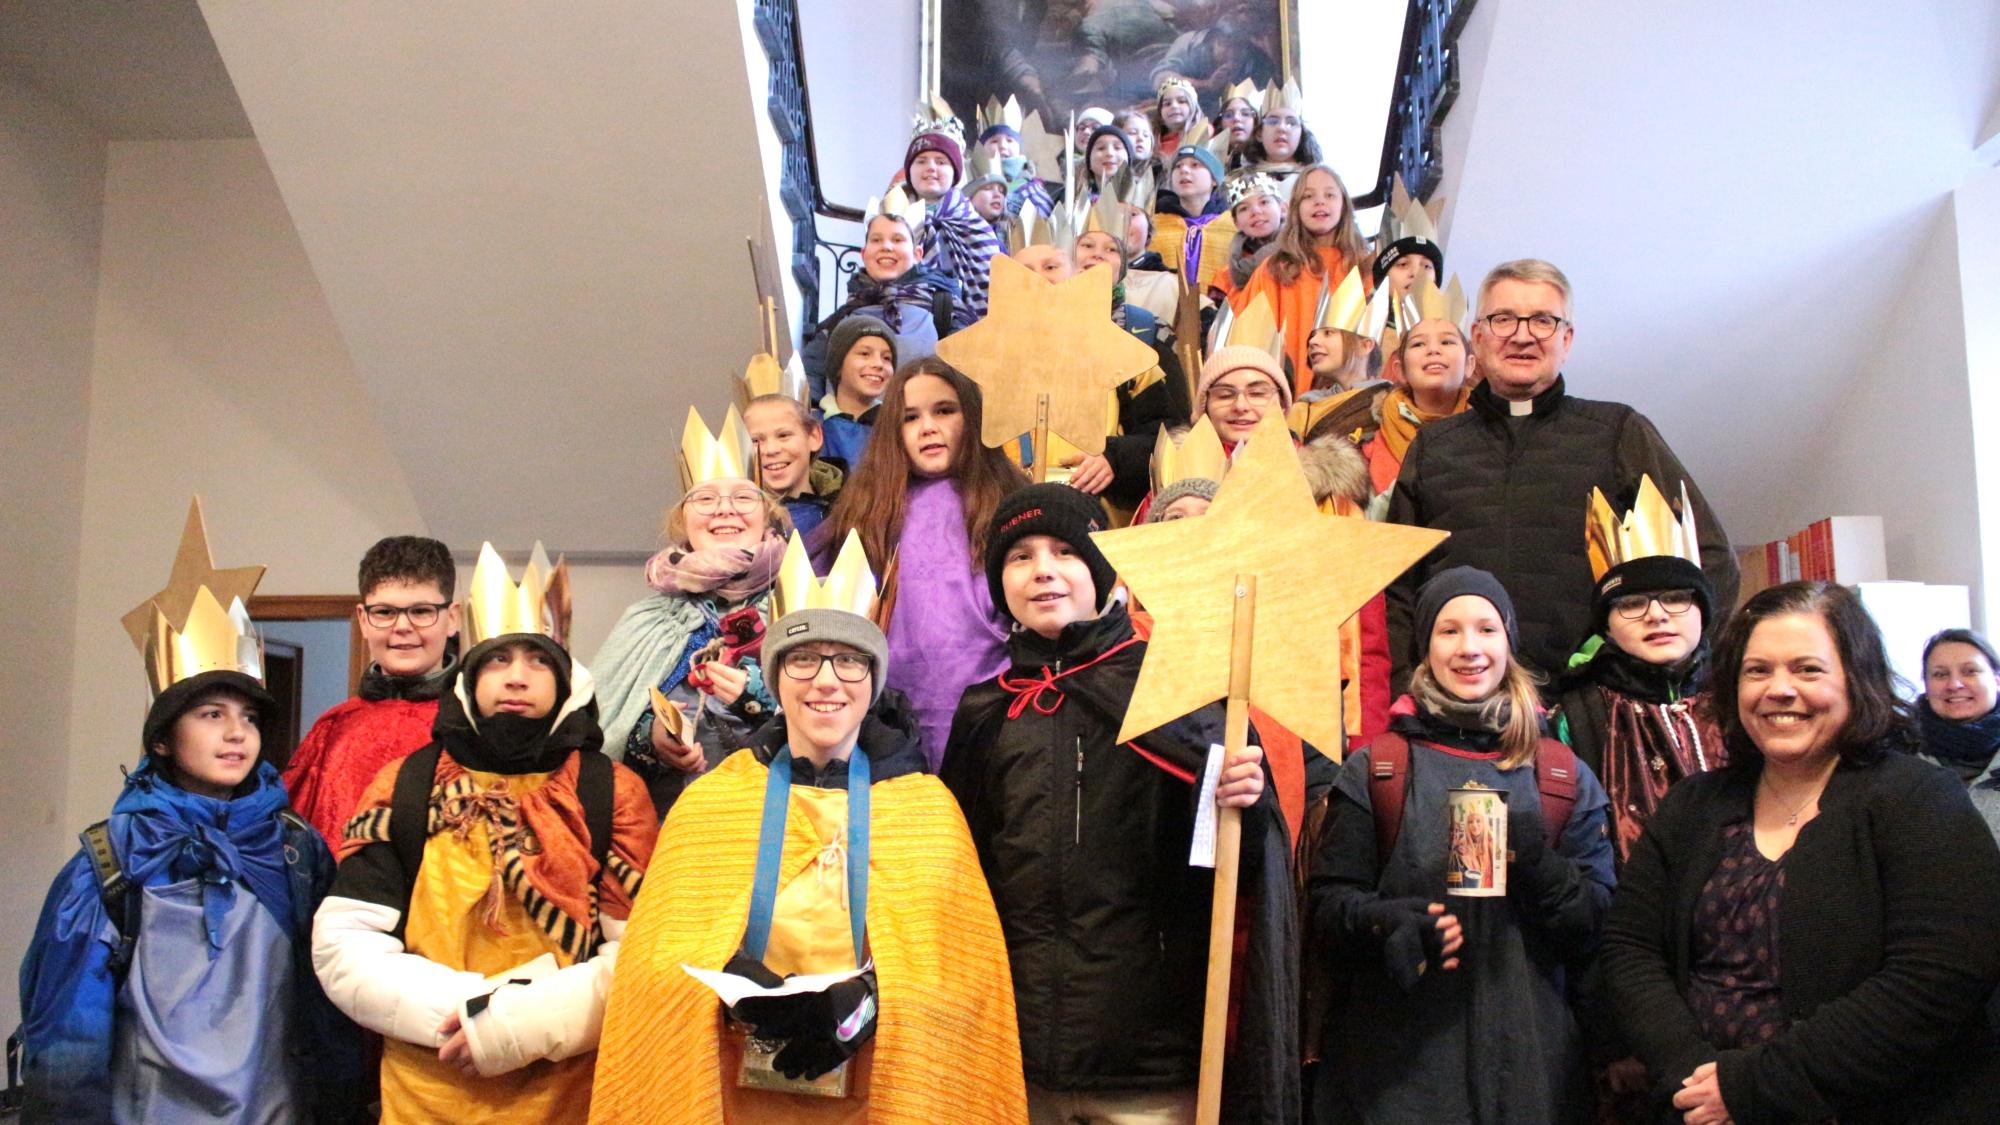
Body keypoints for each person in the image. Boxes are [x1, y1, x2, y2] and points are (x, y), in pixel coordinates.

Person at [589, 532, 1027, 1122]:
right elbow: (652, 971)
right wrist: (726, 979)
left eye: (849, 660)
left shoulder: (924, 810)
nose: (826, 680)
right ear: (773, 676)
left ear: (873, 682)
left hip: (881, 1090)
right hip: (731, 1090)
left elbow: (963, 981)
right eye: (803, 658)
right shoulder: (713, 801)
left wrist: (872, 1002)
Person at [942, 484, 1296, 1123]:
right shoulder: (985, 711)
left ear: (1101, 572)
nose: (1043, 569)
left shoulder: (1170, 691)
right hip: (1016, 1051)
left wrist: (1232, 802)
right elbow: (962, 880)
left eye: (1065, 552)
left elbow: (1228, 876)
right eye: (1019, 556)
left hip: (1147, 1051)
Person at [1602, 581, 2000, 1124]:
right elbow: (1630, 948)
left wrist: (1750, 1088)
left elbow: (1938, 977)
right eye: (1757, 670)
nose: (1779, 690)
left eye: (1808, 670)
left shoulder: (1919, 798)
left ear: (1856, 681)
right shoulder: (1694, 804)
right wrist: (1695, 1076)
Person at [20, 533, 362, 1122]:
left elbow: (327, 1015)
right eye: (211, 715)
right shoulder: (111, 861)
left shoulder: (295, 850)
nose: (237, 734)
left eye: (248, 718)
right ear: (162, 739)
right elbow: (68, 1043)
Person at [314, 545, 658, 1122]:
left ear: (567, 678)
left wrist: (518, 1027)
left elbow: (639, 952)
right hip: (426, 1086)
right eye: (498, 662)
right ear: (470, 677)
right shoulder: (407, 782)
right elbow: (346, 940)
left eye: (537, 663)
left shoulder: (612, 791)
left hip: (569, 1091)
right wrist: (469, 1018)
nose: (517, 679)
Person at [1307, 566, 1615, 1123]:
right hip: (1395, 1081)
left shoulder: (1562, 775)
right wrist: (1385, 923)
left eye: (1486, 629)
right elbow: (1327, 912)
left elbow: (1599, 929)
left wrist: (1540, 867)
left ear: (1509, 642)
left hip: (1532, 1077)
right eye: (1449, 631)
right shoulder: (1379, 769)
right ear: (1425, 647)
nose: (1469, 648)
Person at [1386, 259, 1740, 693]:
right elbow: (1398, 586)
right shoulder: (1434, 447)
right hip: (1463, 705)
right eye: (1503, 320)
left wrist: (1667, 672)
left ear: (1566, 340)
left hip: (1595, 706)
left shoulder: (1617, 432)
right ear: (1477, 337)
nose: (1522, 335)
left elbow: (1710, 558)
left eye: (1542, 320)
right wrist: (1410, 687)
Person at [812, 359, 1027, 768]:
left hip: (995, 713)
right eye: (910, 418)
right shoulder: (866, 513)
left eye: (944, 411)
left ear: (973, 418)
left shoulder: (1011, 506)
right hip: (891, 720)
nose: (928, 426)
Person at [591, 407, 789, 816]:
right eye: (705, 498)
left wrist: (754, 694)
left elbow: (843, 705)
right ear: (683, 519)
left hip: (781, 813)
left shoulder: (798, 600)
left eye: (742, 497)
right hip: (673, 818)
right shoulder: (648, 617)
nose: (724, 510)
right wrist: (654, 738)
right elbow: (603, 722)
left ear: (767, 513)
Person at [1553, 487, 1726, 866]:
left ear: (1702, 611)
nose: (1657, 615)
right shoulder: (1576, 717)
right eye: (1631, 603)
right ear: (1607, 626)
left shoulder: (1740, 701)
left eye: (1676, 597)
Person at [283, 534, 462, 846]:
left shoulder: (477, 727)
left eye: (421, 611)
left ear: (452, 618)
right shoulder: (332, 728)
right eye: (384, 612)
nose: (402, 626)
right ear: (363, 620)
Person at [1238, 164, 1371, 393]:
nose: (1320, 202)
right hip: (1289, 394)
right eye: (1308, 196)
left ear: (1344, 205)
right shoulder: (1275, 269)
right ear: (1295, 209)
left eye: (1329, 195)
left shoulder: (1365, 267)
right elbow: (1249, 338)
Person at [803, 205, 958, 392]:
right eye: (876, 240)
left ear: (918, 254)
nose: (886, 246)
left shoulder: (944, 307)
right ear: (864, 254)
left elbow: (968, 367)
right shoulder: (841, 318)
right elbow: (811, 375)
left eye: (897, 239)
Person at [1355, 277, 1474, 503]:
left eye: (1447, 342)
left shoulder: (1493, 432)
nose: (1433, 350)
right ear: (1400, 370)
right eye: (1418, 344)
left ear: (1470, 364)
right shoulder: (1369, 445)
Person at [904, 115, 1003, 321]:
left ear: (955, 173)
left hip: (964, 326)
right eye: (921, 161)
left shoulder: (976, 226)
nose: (931, 167)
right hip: (907, 321)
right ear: (910, 171)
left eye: (941, 162)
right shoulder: (893, 217)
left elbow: (991, 289)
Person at [1916, 627, 2000, 836]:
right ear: (1926, 687)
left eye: (1970, 671)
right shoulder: (1897, 759)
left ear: (1997, 679)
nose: (1954, 684)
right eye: (1940, 674)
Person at [745, 393, 843, 538]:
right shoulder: (739, 519)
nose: (771, 450)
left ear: (814, 437)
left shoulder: (851, 509)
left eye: (784, 435)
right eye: (756, 440)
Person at [812, 314, 895, 473]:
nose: (878, 364)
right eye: (864, 354)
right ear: (838, 366)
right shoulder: (812, 426)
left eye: (887, 358)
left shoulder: (897, 428)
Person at [1210, 171, 1286, 311]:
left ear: (1283, 208)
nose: (1256, 211)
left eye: (1264, 202)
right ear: (1236, 222)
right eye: (1244, 208)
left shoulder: (1305, 257)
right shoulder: (1225, 278)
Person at [1240, 80, 1323, 198]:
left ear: (1301, 135)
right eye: (1273, 121)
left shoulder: (1316, 180)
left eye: (1291, 122)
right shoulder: (1243, 183)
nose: (1282, 128)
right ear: (1259, 133)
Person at [1153, 76, 1201, 154]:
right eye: (1167, 104)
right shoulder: (1152, 143)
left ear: (1193, 108)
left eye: (1181, 101)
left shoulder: (1204, 134)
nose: (1174, 106)